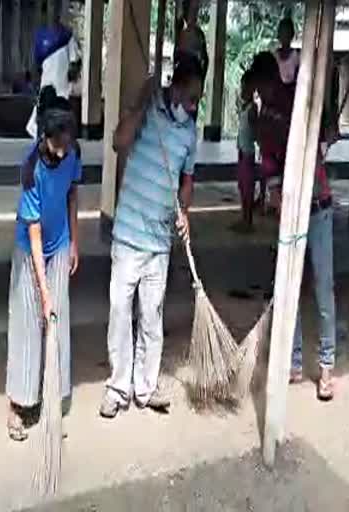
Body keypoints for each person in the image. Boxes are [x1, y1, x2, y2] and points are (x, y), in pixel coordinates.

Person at [99, 54, 203, 419]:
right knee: (119, 312)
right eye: (190, 98)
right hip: (128, 234)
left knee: (151, 316)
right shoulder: (151, 112)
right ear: (174, 87)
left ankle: (146, 386)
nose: (193, 106)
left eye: (198, 100)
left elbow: (186, 181)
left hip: (160, 241)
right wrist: (142, 101)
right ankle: (117, 387)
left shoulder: (190, 132)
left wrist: (185, 213)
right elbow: (117, 141)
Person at [252, 51, 337, 401]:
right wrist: (273, 191)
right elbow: (269, 163)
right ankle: (297, 361)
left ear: (271, 80)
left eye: (262, 86)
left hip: (318, 206)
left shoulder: (301, 100)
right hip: (291, 211)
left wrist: (322, 140)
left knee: (323, 286)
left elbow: (329, 129)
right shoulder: (264, 119)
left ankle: (327, 365)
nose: (261, 94)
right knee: (292, 285)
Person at [5, 86, 81, 441]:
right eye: (57, 142)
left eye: (67, 140)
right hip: (31, 250)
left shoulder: (72, 152)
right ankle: (18, 406)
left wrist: (75, 241)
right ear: (45, 135)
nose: (63, 149)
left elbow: (72, 193)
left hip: (60, 244)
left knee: (57, 322)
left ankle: (52, 400)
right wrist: (43, 288)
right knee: (29, 323)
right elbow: (33, 234)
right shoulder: (30, 166)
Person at [27, 11, 82, 138]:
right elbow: (36, 64)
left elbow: (75, 61)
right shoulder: (40, 36)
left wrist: (72, 74)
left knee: (57, 116)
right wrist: (34, 84)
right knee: (43, 115)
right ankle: (44, 138)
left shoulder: (67, 36)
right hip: (47, 85)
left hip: (61, 86)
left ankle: (53, 137)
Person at [236, 69, 260, 229]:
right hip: (242, 150)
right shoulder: (245, 108)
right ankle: (244, 217)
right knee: (242, 185)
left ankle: (248, 220)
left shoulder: (252, 109)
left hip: (248, 153)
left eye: (245, 88)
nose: (242, 91)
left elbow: (255, 131)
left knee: (247, 187)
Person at [275, 17, 300, 86]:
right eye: (282, 33)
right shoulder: (274, 57)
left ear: (291, 35)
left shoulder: (297, 57)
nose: (284, 36)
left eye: (287, 33)